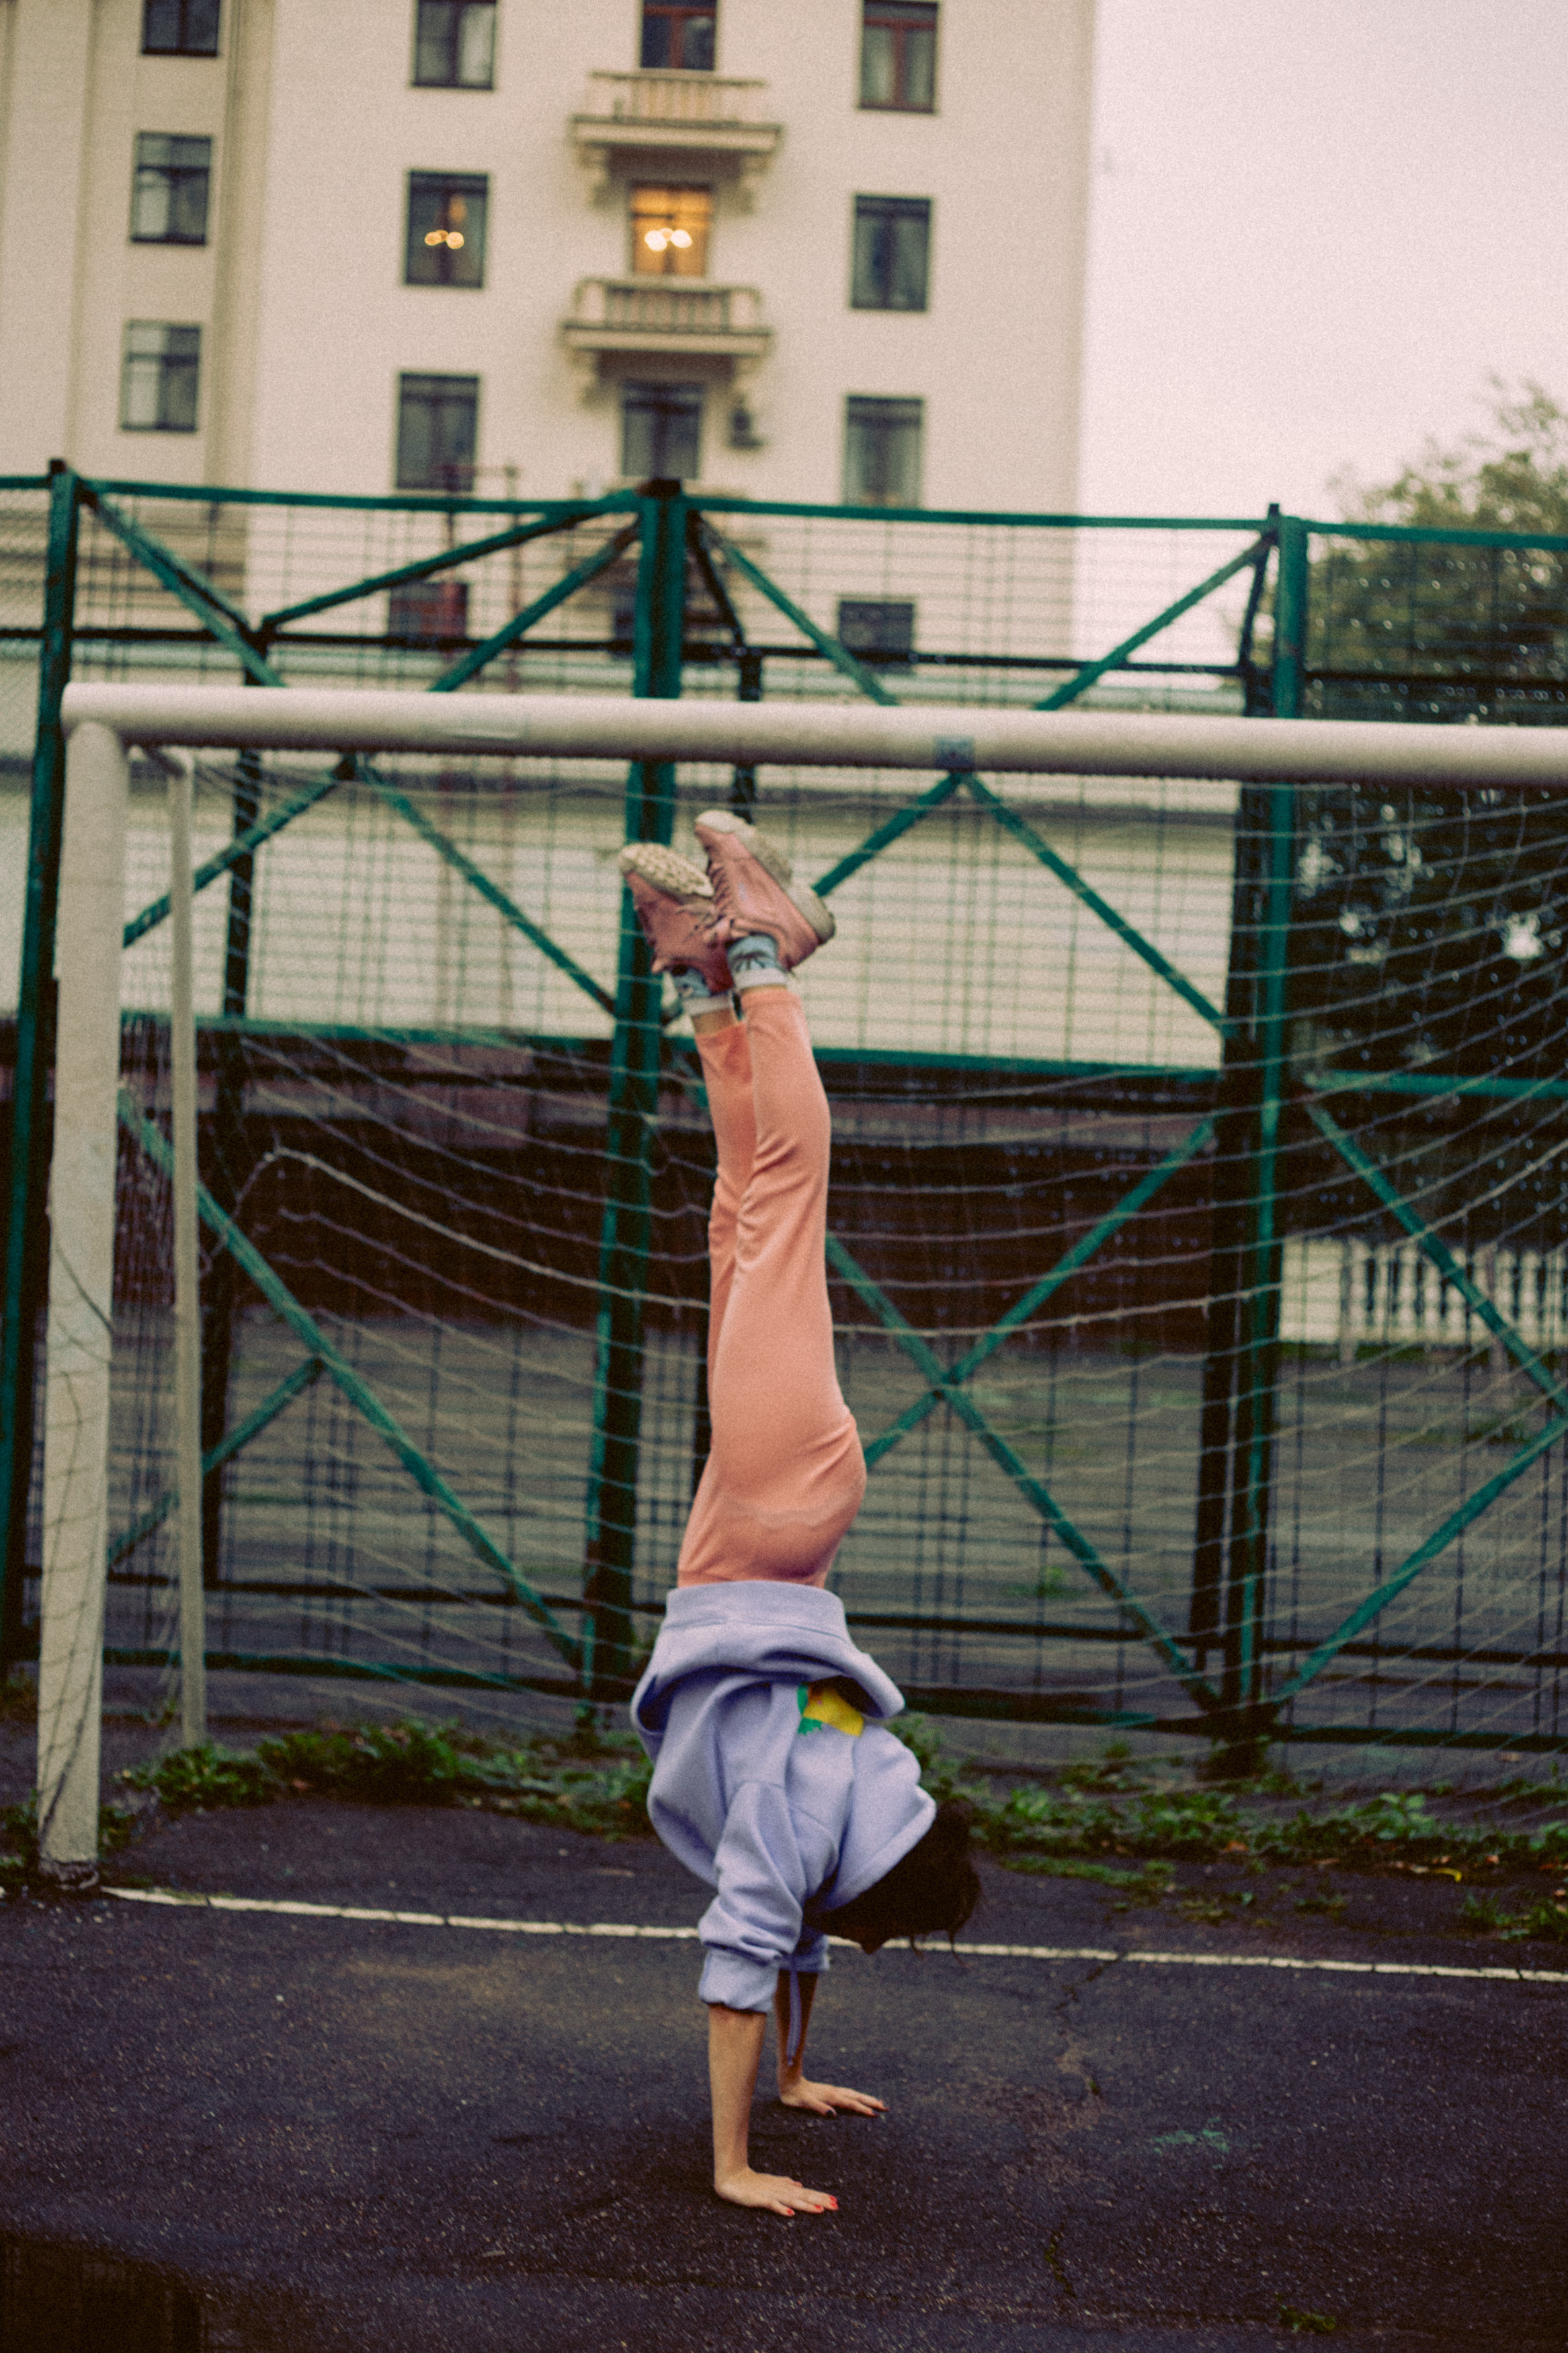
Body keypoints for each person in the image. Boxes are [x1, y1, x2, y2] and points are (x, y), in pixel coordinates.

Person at [624, 809, 980, 2219]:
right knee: (782, 1202)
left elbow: (797, 1935)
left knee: (739, 1215)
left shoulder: (837, 1775)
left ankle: (710, 985)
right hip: (771, 1514)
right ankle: (766, 957)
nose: (846, 1938)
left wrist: (795, 2081)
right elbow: (742, 1959)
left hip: (782, 1524)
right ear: (860, 1880)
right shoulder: (790, 1818)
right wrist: (736, 2161)